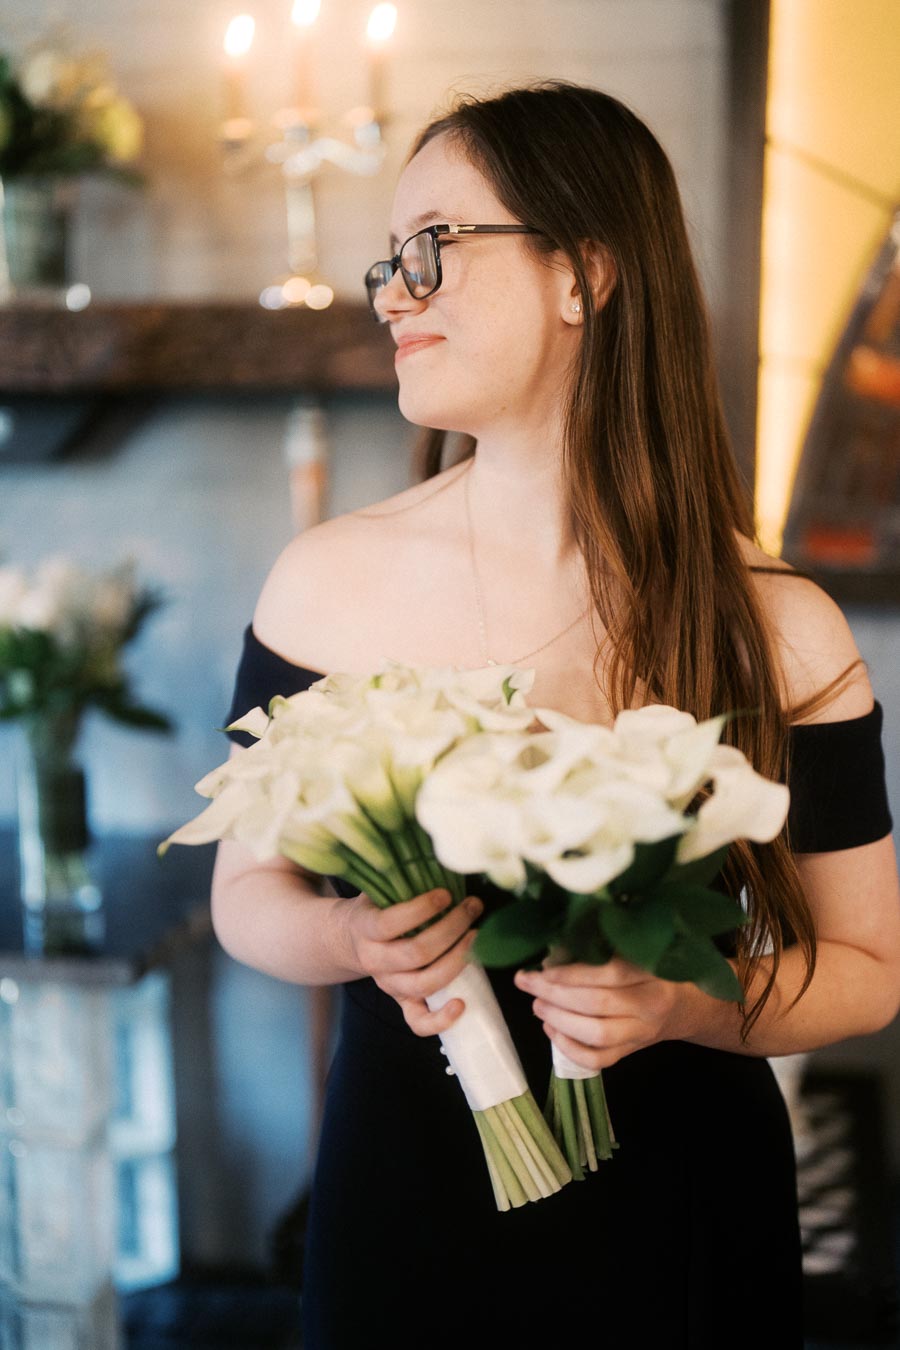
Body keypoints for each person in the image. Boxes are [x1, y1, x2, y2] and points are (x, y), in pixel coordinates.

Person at [210, 81, 900, 1348]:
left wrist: (691, 1005)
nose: (393, 294)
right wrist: (358, 936)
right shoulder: (324, 583)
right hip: (405, 1202)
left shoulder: (783, 623)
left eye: (435, 248)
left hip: (686, 1212)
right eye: (389, 262)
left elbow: (867, 972)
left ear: (586, 272)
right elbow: (245, 898)